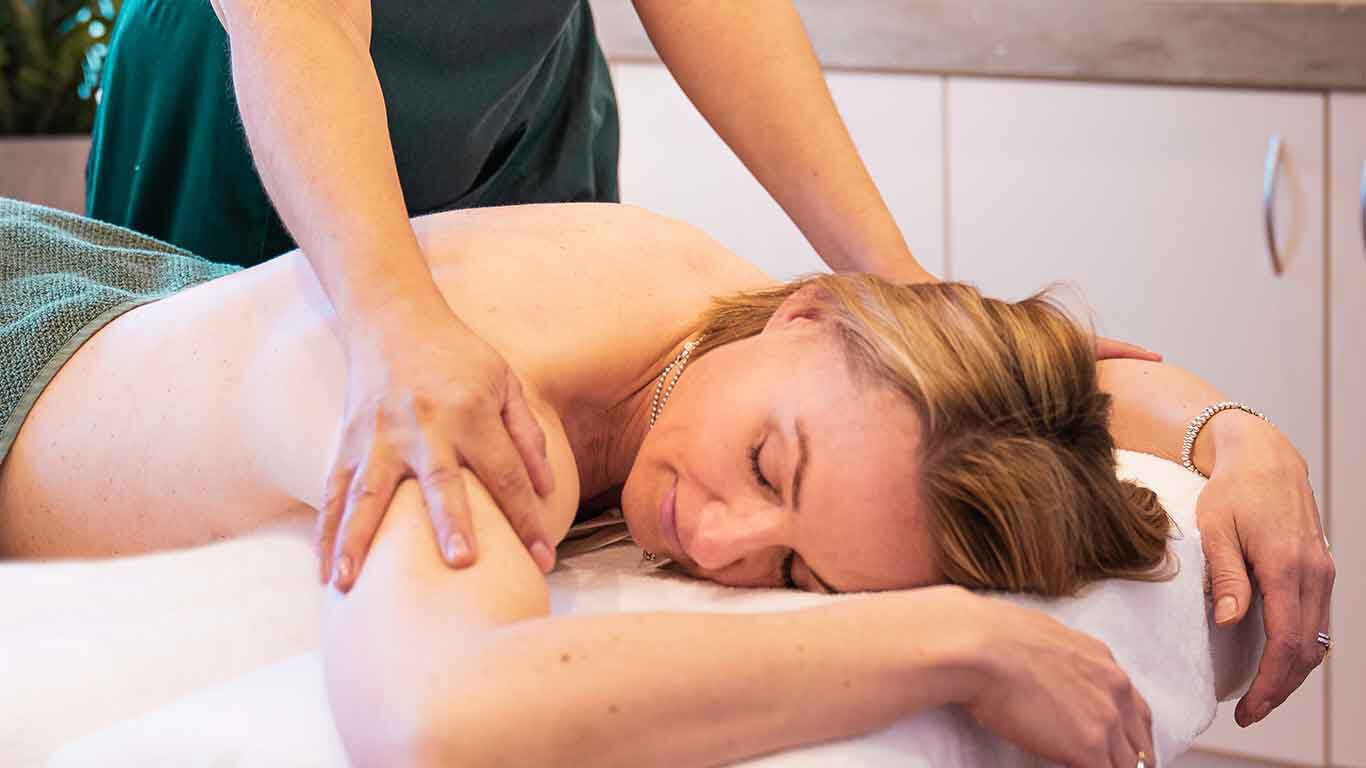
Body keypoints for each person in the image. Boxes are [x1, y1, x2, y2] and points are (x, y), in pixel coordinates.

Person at [0, 198, 1332, 765]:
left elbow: (1031, 374)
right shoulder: (477, 388)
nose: (721, 539)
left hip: (153, 290)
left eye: (799, 575)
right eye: (766, 465)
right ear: (807, 314)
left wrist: (1238, 437)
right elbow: (438, 725)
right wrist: (959, 644)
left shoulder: (754, 326)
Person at [85, 0, 978, 582]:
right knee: (258, 509)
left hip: (517, 105)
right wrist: (391, 318)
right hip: (269, 97)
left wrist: (902, 288)